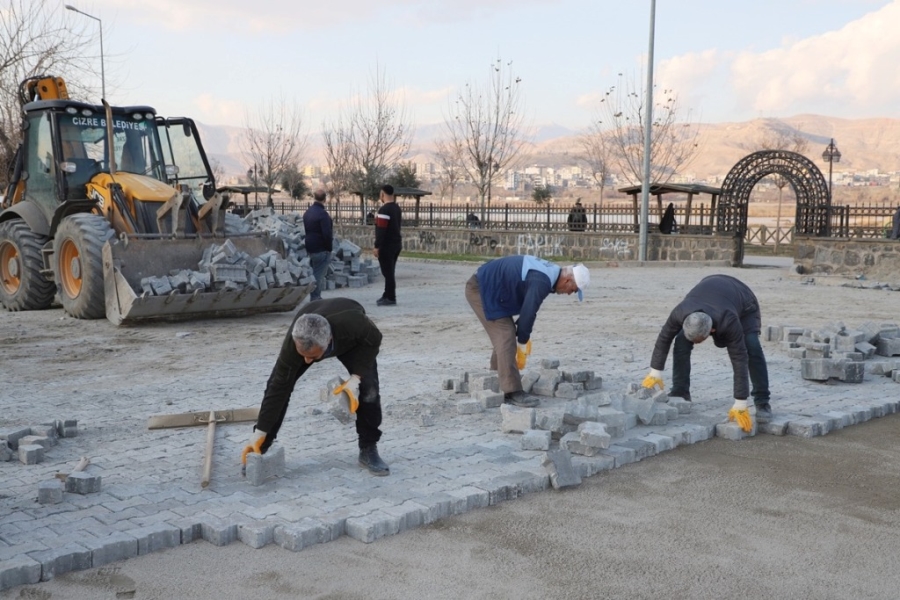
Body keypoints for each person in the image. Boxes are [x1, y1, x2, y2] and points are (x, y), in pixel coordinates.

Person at [242, 298, 390, 476]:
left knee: (369, 390)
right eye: (302, 355)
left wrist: (356, 378)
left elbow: (375, 340)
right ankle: (262, 446)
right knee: (280, 384)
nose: (306, 361)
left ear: (328, 342)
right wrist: (260, 431)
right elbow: (277, 390)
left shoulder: (355, 324)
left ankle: (368, 447)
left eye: (312, 357)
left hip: (351, 338)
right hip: (314, 324)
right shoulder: (295, 343)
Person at [642, 274, 771, 431]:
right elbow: (664, 338)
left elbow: (739, 359)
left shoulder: (728, 321)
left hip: (744, 304)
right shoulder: (680, 312)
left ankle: (762, 400)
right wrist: (654, 373)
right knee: (681, 340)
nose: (696, 343)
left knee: (751, 346)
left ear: (712, 330)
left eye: (699, 340)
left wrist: (740, 403)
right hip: (710, 291)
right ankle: (680, 390)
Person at [465, 255, 591, 407]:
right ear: (567, 281)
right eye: (573, 290)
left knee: (506, 332)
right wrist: (523, 342)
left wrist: (522, 335)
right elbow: (528, 313)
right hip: (481, 289)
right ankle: (512, 391)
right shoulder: (542, 281)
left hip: (493, 288)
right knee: (505, 334)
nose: (570, 293)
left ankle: (494, 377)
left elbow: (527, 309)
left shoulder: (551, 273)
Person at [302, 188, 333, 301]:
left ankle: (314, 296)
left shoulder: (307, 213)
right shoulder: (323, 215)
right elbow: (327, 234)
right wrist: (329, 248)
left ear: (314, 198)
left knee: (314, 272)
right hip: (321, 249)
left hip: (310, 246)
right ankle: (315, 298)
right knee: (318, 275)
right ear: (325, 199)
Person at [373, 184, 402, 306]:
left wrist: (377, 246)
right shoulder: (396, 208)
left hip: (387, 245)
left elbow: (381, 229)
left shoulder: (384, 210)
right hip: (396, 244)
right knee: (390, 271)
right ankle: (387, 294)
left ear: (383, 194)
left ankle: (391, 297)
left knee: (388, 273)